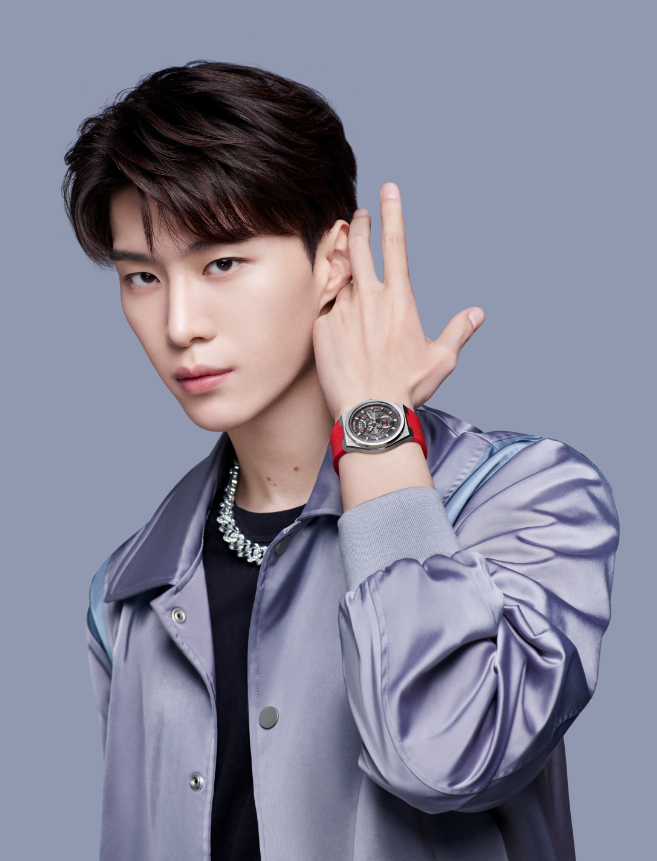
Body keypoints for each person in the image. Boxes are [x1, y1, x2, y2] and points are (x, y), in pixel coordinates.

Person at [63, 61, 619, 861]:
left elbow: (444, 758)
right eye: (143, 277)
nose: (179, 324)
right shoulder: (127, 594)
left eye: (222, 263)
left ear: (333, 260)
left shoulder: (528, 498)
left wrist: (375, 428)